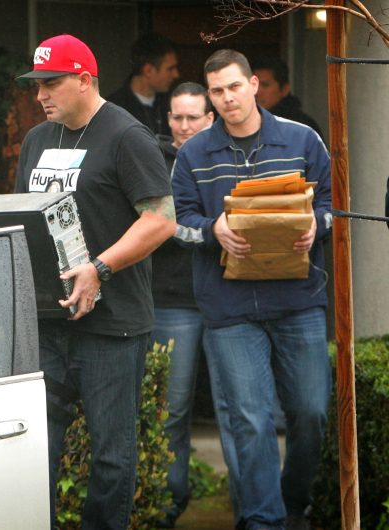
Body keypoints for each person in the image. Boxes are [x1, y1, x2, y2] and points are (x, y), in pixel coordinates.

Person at [15, 34, 176, 529]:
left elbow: (161, 220)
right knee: (35, 451)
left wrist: (99, 268)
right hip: (50, 321)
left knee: (111, 457)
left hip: (112, 325)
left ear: (85, 80)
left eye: (52, 83)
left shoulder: (127, 136)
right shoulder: (37, 140)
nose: (41, 94)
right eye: (37, 84)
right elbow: (25, 217)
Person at [171, 49, 332, 530]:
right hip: (230, 306)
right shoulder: (193, 155)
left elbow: (331, 204)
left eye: (233, 87)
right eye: (216, 91)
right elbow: (176, 224)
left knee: (311, 414)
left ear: (254, 85)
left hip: (298, 300)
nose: (226, 98)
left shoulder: (301, 139)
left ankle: (293, 502)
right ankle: (264, 521)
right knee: (252, 420)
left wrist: (315, 226)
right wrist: (211, 229)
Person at [150, 81, 222, 528]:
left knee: (238, 410)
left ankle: (256, 510)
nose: (183, 125)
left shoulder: (225, 154)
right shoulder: (155, 160)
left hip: (229, 296)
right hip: (172, 299)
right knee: (171, 409)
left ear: (209, 119)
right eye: (177, 117)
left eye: (193, 116)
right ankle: (168, 504)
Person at [106, 33, 180, 136]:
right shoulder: (114, 108)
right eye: (170, 69)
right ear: (148, 71)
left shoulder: (173, 103)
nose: (176, 74)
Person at [253, 56, 323, 139]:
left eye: (265, 85)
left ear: (284, 90)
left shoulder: (301, 128)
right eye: (253, 85)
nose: (256, 92)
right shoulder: (244, 122)